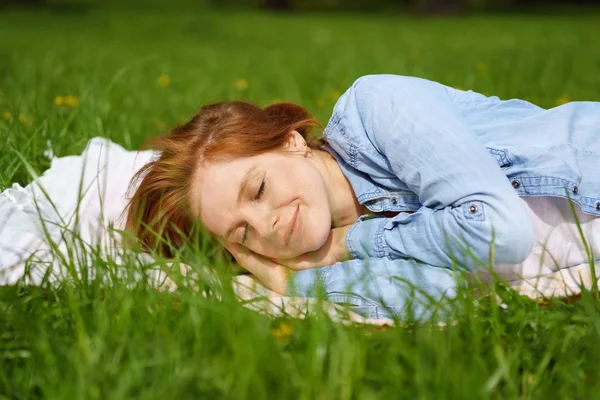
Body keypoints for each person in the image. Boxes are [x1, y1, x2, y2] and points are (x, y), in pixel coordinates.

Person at [124, 74, 600, 320]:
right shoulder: (325, 257)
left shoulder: (378, 108)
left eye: (260, 188)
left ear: (289, 141)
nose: (266, 223)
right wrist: (292, 284)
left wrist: (349, 243)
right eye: (242, 232)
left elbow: (500, 232)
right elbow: (445, 298)